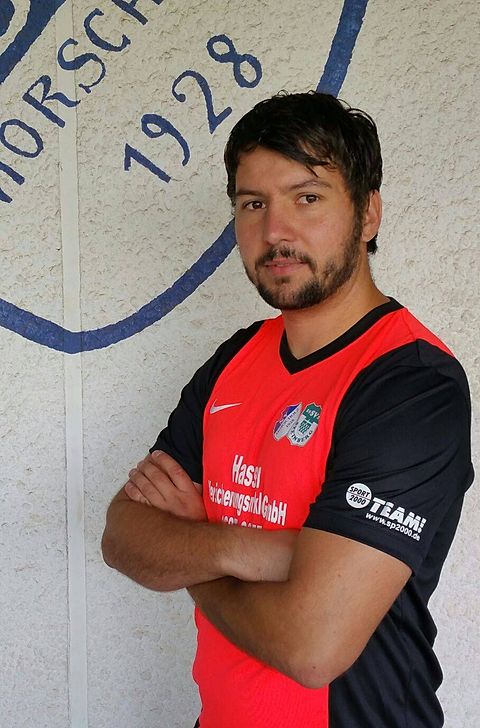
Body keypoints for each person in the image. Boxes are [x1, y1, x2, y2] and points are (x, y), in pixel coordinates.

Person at [102, 92, 473, 728]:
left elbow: (312, 649)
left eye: (307, 197)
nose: (275, 231)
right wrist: (254, 550)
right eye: (253, 204)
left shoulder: (411, 384)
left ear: (368, 214)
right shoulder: (234, 361)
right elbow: (124, 536)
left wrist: (194, 559)